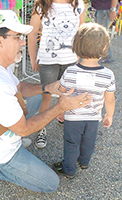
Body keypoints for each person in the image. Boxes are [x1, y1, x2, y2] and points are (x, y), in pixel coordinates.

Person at [0, 9, 92, 193]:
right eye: (17, 37)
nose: (23, 41)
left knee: (37, 97)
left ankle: (11, 144)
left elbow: (20, 88)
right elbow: (24, 128)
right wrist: (61, 107)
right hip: (1, 154)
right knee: (50, 184)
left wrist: (47, 87)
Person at [52, 22, 116, 178]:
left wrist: (60, 110)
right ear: (104, 49)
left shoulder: (70, 71)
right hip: (93, 117)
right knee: (89, 142)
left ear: (77, 47)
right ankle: (84, 161)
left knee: (71, 143)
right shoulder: (108, 75)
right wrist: (109, 115)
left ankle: (69, 169)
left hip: (73, 117)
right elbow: (110, 99)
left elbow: (63, 93)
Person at [28, 0, 86, 149]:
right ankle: (42, 128)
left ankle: (63, 117)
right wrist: (33, 58)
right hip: (48, 62)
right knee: (46, 96)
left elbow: (82, 32)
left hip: (71, 61)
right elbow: (32, 33)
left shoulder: (79, 4)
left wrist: (81, 56)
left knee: (66, 94)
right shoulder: (41, 4)